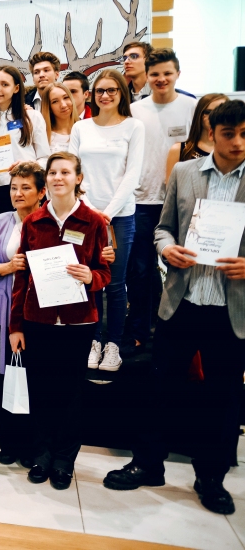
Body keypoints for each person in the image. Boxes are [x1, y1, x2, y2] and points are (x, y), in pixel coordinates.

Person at [103, 99, 245, 515]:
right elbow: (163, 228)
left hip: (230, 307)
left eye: (244, 134)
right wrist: (169, 249)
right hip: (181, 300)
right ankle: (148, 464)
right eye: (229, 134)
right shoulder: (184, 173)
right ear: (211, 132)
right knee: (160, 388)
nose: (238, 143)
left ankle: (211, 476)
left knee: (223, 396)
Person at [10, 152, 110, 490]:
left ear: (78, 178)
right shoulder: (33, 222)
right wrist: (15, 326)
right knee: (40, 388)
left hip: (78, 322)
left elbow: (106, 272)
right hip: (37, 319)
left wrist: (90, 277)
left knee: (70, 392)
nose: (57, 178)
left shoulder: (94, 222)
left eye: (65, 172)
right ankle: (42, 452)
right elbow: (20, 280)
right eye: (52, 172)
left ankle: (65, 457)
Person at [0, 163, 45, 464]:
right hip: (1, 315)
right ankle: (9, 443)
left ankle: (34, 445)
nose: (18, 193)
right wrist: (6, 268)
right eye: (14, 187)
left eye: (26, 187)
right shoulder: (1, 222)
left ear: (42, 192)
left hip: (39, 316)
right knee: (5, 380)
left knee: (34, 380)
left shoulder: (51, 223)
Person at [71, 70, 144, 372]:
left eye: (112, 90)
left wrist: (107, 213)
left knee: (114, 283)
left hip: (119, 217)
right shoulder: (81, 127)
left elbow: (133, 173)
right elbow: (72, 169)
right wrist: (88, 209)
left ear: (121, 94)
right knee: (88, 282)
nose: (105, 96)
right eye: (99, 90)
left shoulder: (133, 126)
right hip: (85, 216)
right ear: (91, 94)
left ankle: (113, 344)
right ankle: (93, 340)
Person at [127, 48, 197, 349]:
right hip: (143, 199)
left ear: (177, 74)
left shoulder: (192, 106)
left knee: (181, 269)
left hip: (182, 201)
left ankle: (178, 334)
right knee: (140, 270)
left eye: (167, 73)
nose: (161, 79)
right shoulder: (135, 110)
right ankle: (140, 330)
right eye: (155, 74)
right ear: (147, 76)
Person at [0, 66, 50, 222]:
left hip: (29, 190)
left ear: (16, 88)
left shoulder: (32, 117)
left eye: (4, 84)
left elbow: (45, 159)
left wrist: (27, 165)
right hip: (0, 194)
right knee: (2, 245)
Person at [164, 93, 228, 181]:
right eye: (209, 112)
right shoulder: (179, 150)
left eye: (221, 112)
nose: (215, 116)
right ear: (200, 114)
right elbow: (171, 190)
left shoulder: (235, 150)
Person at [46, 83, 77, 153]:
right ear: (49, 108)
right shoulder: (44, 136)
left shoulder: (84, 129)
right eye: (55, 101)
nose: (63, 105)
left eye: (66, 97)